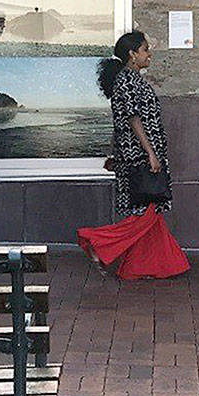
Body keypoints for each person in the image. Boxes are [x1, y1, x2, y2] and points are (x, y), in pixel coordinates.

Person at [77, 31, 189, 280]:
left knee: (150, 210)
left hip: (135, 152)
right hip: (139, 155)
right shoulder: (127, 81)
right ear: (132, 54)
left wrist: (114, 154)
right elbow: (132, 118)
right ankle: (97, 242)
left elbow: (121, 122)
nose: (149, 54)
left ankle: (150, 265)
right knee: (147, 210)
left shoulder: (129, 80)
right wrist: (151, 154)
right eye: (145, 49)